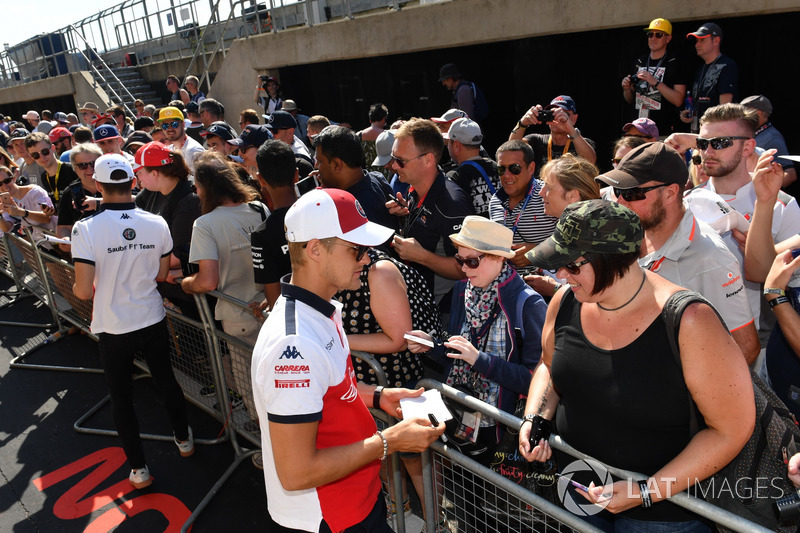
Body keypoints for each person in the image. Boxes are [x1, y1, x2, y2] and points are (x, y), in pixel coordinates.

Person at [519, 199, 754, 531]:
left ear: (612, 260)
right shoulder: (566, 299)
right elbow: (548, 366)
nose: (559, 275)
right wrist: (536, 417)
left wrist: (647, 491)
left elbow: (731, 431)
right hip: (576, 489)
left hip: (662, 516)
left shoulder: (689, 321)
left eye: (571, 265)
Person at [250, 187, 444, 532]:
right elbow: (297, 472)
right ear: (314, 250)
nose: (367, 259)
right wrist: (391, 441)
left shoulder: (323, 311)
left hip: (354, 499)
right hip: (329, 517)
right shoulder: (293, 344)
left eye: (366, 250)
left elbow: (333, 390)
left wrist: (381, 396)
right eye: (356, 250)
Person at [406, 215, 546, 531]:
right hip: (460, 418)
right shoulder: (462, 291)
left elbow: (536, 379)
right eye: (460, 261)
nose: (465, 270)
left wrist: (479, 359)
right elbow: (457, 350)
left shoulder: (528, 303)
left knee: (496, 516)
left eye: (472, 261)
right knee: (463, 507)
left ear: (499, 257)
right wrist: (432, 344)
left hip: (500, 431)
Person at [71, 154, 193, 490]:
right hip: (151, 316)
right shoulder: (157, 223)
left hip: (113, 326)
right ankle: (184, 440)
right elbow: (159, 274)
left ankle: (139, 470)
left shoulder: (86, 229)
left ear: (98, 185)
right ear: (132, 183)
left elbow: (82, 291)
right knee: (166, 379)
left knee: (121, 396)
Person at [597, 142, 760, 364]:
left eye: (633, 192)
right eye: (618, 191)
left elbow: (746, 348)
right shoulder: (632, 231)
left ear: (671, 193)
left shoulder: (710, 257)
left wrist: (679, 391)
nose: (620, 201)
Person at [668, 104, 800, 349]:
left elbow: (788, 281)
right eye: (702, 143)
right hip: (694, 334)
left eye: (719, 143)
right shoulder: (685, 203)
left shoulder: (782, 204)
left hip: (761, 342)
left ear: (747, 146)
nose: (708, 151)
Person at [181, 152, 267, 420]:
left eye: (197, 185)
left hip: (237, 316)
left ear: (206, 188)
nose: (195, 190)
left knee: (250, 381)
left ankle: (260, 434)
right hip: (269, 307)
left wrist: (185, 283)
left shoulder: (204, 224)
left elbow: (207, 280)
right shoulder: (259, 209)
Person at [385, 118, 474, 305]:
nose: (393, 166)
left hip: (444, 308)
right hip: (420, 298)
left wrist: (422, 257)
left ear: (428, 160)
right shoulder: (414, 189)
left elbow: (467, 267)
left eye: (400, 161)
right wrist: (405, 217)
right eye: (393, 159)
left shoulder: (452, 204)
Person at [133, 142, 202, 318]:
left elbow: (176, 258)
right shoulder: (151, 192)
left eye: (139, 172)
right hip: (163, 286)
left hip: (186, 296)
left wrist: (138, 259)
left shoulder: (189, 201)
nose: (138, 178)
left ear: (154, 173)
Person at [523, 153, 600, 296]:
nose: (540, 192)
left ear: (572, 196)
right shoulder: (573, 228)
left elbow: (599, 293)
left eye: (548, 187)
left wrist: (556, 289)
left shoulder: (593, 235)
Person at [313, 125, 397, 234]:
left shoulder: (351, 207)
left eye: (320, 161)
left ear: (336, 164)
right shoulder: (377, 179)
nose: (315, 166)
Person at [488, 140, 557, 273]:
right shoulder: (495, 201)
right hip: (509, 286)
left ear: (531, 168)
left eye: (515, 168)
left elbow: (575, 241)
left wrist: (539, 252)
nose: (507, 175)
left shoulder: (548, 194)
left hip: (548, 286)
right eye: (501, 169)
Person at [620, 17, 688, 136]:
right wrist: (626, 89)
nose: (653, 38)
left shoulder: (674, 62)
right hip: (637, 130)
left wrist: (655, 82)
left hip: (662, 131)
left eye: (659, 35)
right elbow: (630, 99)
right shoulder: (640, 61)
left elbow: (678, 100)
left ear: (668, 38)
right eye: (650, 35)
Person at [251, 139, 297, 314]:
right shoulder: (320, 211)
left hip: (298, 322)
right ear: (296, 175)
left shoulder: (262, 235)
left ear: (260, 179)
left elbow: (275, 300)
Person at [508, 95, 597, 174]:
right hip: (540, 192)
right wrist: (522, 124)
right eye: (552, 113)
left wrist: (570, 129)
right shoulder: (536, 140)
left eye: (563, 114)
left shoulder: (582, 143)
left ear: (574, 119)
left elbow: (590, 161)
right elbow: (511, 149)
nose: (557, 118)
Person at [681, 23, 738, 132]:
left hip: (715, 133)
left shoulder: (727, 66)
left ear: (716, 41)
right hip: (698, 131)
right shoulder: (700, 69)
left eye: (702, 40)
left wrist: (718, 132)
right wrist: (688, 113)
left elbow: (725, 107)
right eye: (696, 41)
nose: (697, 44)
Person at [445, 117, 499, 217]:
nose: (447, 147)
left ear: (456, 145)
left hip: (473, 232)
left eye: (449, 142)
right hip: (502, 230)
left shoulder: (454, 177)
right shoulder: (498, 167)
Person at [740, 95, 796, 191]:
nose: (741, 116)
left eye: (745, 111)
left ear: (759, 113)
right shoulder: (754, 133)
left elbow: (790, 174)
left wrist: (767, 193)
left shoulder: (772, 138)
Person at [55, 143, 103, 254]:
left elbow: (136, 200)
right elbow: (63, 227)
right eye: (83, 165)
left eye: (93, 163)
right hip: (88, 254)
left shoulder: (114, 183)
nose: (90, 169)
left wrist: (98, 202)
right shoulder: (70, 192)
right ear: (75, 169)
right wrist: (65, 240)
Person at [24, 131, 78, 211]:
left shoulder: (71, 169)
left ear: (53, 148)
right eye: (36, 155)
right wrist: (51, 212)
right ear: (32, 157)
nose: (42, 157)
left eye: (45, 152)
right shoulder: (44, 177)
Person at [0, 165, 56, 238]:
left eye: (6, 181)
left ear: (14, 178)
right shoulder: (6, 200)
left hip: (56, 238)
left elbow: (46, 218)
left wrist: (20, 211)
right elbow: (7, 229)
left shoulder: (34, 192)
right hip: (40, 243)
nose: (5, 186)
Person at [157, 106, 204, 174]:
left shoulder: (194, 150)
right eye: (165, 125)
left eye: (174, 124)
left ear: (183, 124)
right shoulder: (170, 150)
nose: (170, 128)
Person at [358, 103, 389, 175]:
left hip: (366, 176)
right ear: (384, 119)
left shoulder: (358, 135)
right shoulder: (388, 135)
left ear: (370, 120)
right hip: (385, 176)